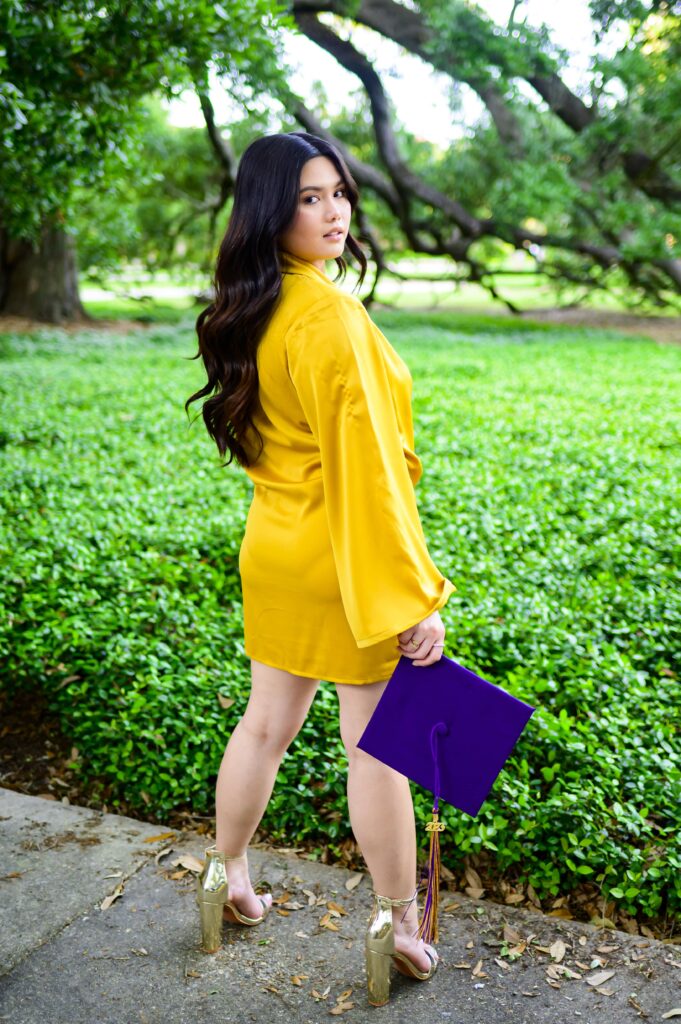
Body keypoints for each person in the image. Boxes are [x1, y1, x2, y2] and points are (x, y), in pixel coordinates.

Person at [185, 131, 456, 1006]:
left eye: (338, 191)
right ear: (271, 209)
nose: (334, 211)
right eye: (309, 197)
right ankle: (397, 925)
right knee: (376, 750)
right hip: (339, 557)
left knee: (265, 725)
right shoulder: (330, 315)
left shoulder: (253, 304)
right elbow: (369, 479)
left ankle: (223, 876)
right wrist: (413, 596)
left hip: (273, 550)